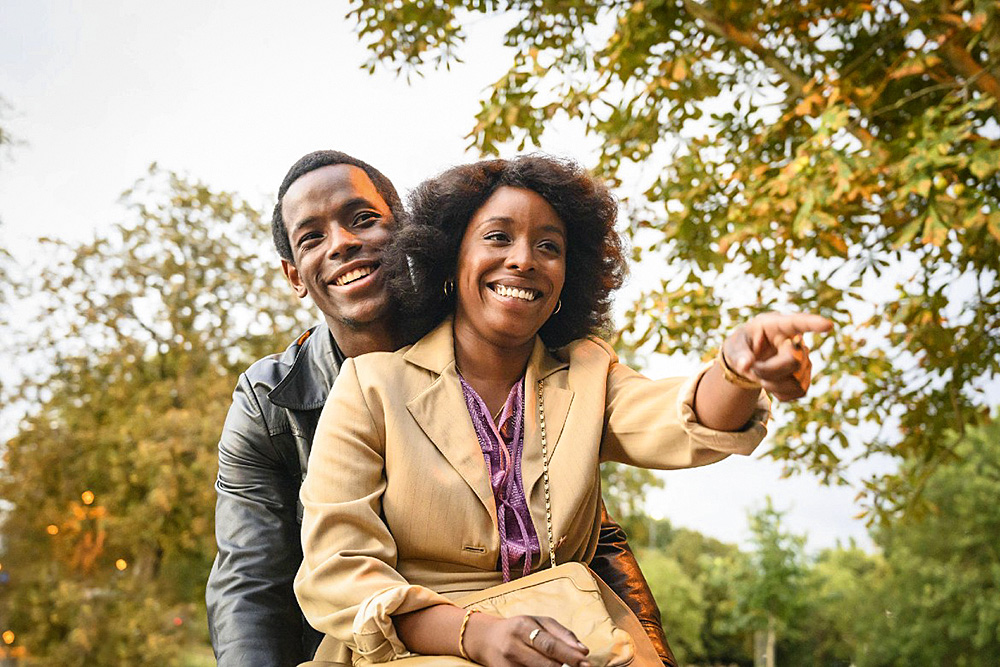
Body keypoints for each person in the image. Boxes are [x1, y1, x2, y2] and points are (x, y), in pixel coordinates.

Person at [294, 155, 832, 666]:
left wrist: (737, 371)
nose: (524, 259)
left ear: (565, 281)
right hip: (414, 651)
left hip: (575, 641)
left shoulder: (588, 372)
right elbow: (338, 571)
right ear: (450, 258)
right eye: (498, 237)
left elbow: (672, 418)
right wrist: (472, 633)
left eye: (548, 246)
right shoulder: (370, 386)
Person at [206, 150, 679, 666]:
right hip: (359, 639)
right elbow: (250, 581)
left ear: (409, 234)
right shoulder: (266, 402)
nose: (342, 243)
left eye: (363, 220)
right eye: (312, 237)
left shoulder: (494, 344)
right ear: (295, 275)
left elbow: (586, 533)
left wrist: (649, 652)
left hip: (536, 633)